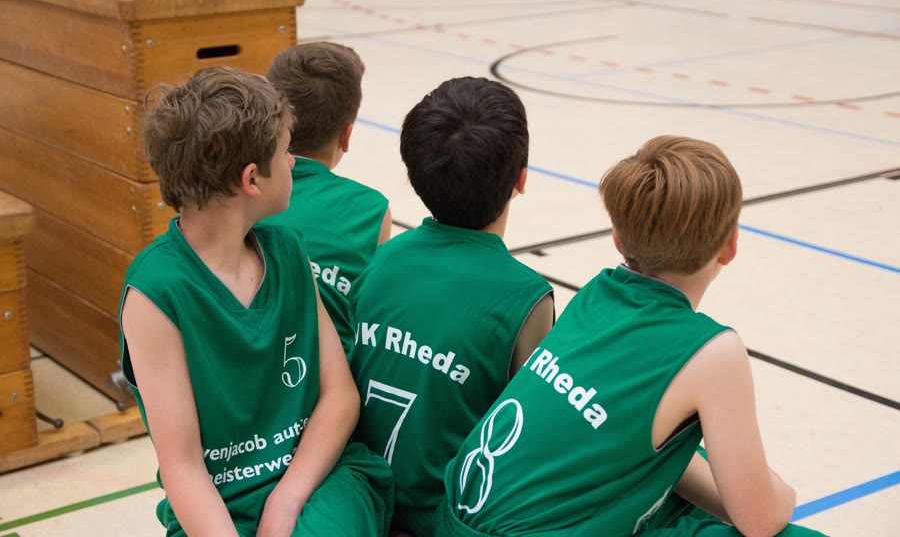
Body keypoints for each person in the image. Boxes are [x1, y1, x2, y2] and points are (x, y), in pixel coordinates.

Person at [437, 136, 826, 537]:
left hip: (451, 519)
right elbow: (760, 521)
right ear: (730, 246)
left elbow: (625, 442)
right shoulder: (714, 351)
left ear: (618, 239)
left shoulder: (596, 294)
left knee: (680, 457)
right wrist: (781, 494)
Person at [118, 66, 393, 537]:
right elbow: (183, 467)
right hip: (218, 503)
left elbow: (340, 396)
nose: (293, 164)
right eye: (285, 153)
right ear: (251, 179)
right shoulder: (155, 292)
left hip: (320, 480)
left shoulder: (288, 249)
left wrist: (285, 501)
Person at [349, 77, 555, 536]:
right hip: (446, 519)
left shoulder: (382, 259)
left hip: (361, 499)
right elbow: (530, 438)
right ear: (521, 179)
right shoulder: (527, 297)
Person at [260, 42, 391, 353]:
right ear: (346, 135)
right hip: (330, 374)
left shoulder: (238, 190)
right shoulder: (370, 209)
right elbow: (371, 316)